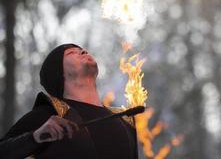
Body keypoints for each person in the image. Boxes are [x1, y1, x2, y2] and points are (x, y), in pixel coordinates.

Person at [0, 44, 138, 159]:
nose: (84, 51)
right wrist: (34, 138)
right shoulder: (49, 116)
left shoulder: (125, 120)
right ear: (60, 73)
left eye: (82, 50)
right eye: (72, 52)